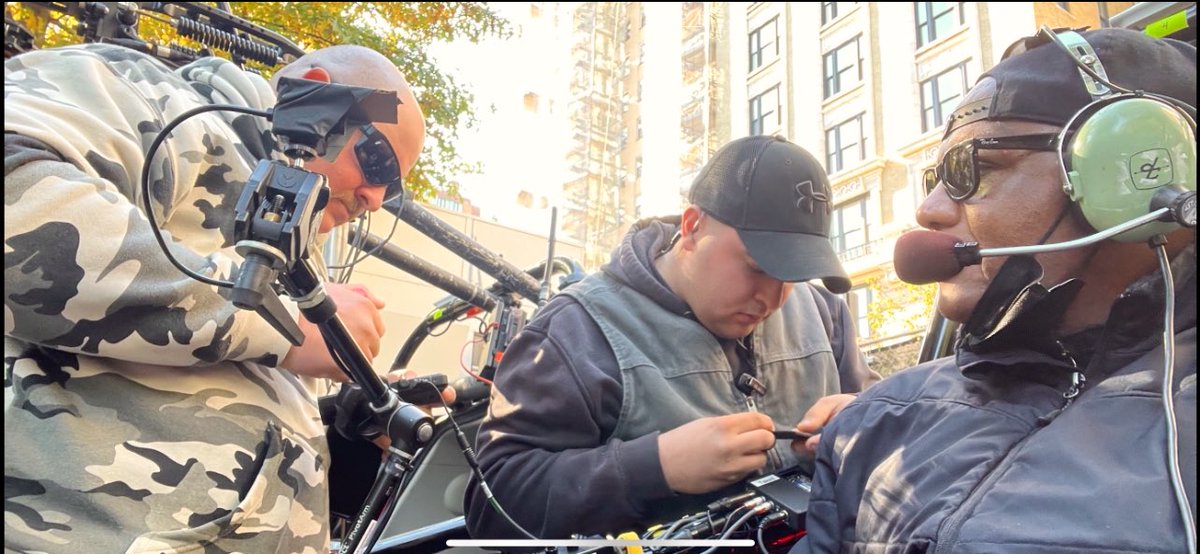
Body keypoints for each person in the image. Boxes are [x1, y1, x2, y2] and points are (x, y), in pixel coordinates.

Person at [5, 42, 425, 552]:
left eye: (392, 191)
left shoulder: (292, 242)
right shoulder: (156, 101)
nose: (375, 199)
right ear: (318, 93)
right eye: (377, 161)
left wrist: (351, 420)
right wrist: (286, 323)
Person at [796, 28, 1196, 553]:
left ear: (1136, 179)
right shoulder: (876, 419)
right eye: (935, 177)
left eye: (975, 168)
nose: (929, 210)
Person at [465, 134, 878, 539]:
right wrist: (654, 466)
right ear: (693, 226)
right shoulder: (574, 333)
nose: (773, 298)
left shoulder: (826, 314)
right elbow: (492, 506)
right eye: (757, 267)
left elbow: (902, 442)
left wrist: (866, 420)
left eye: (793, 274)